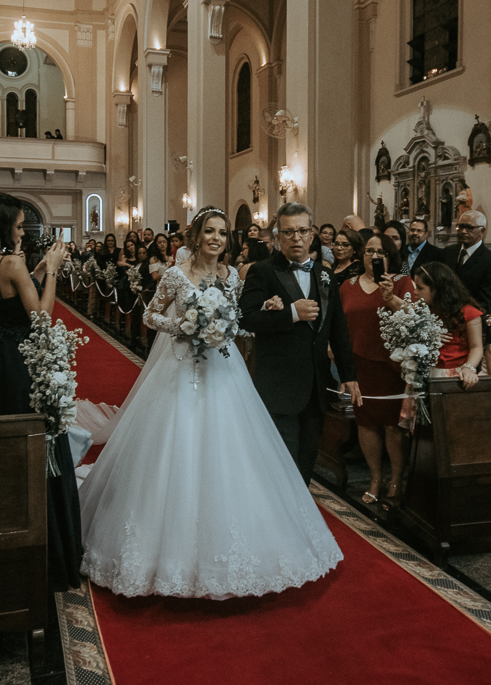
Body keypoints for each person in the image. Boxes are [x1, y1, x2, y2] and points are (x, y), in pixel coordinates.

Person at [80, 206, 343, 599]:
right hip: (181, 369)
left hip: (223, 370)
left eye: (222, 233)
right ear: (197, 236)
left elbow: (237, 318)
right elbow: (152, 315)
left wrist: (257, 313)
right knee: (176, 448)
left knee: (233, 451)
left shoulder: (230, 276)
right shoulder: (175, 275)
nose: (217, 238)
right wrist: (185, 328)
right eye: (209, 232)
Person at [0, 196, 81, 591]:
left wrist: (36, 269)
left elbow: (4, 301)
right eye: (16, 226)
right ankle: (53, 543)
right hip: (23, 361)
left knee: (8, 442)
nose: (20, 231)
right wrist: (52, 274)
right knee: (41, 441)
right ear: (1, 230)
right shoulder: (12, 264)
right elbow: (41, 320)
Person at [238, 202, 361, 484]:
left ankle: (298, 517)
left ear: (311, 234)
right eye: (289, 232)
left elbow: (337, 328)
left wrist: (349, 375)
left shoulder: (325, 274)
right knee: (282, 464)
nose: (296, 238)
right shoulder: (263, 271)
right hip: (279, 384)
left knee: (305, 463)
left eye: (302, 231)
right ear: (278, 236)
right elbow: (246, 319)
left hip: (316, 387)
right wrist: (291, 313)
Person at [340, 233, 415, 510]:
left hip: (392, 365)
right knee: (366, 422)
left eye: (381, 251)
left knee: (393, 425)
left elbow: (415, 315)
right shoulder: (347, 286)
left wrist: (390, 296)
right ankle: (374, 478)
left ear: (390, 256)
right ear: (362, 255)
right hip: (359, 363)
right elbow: (339, 321)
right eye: (369, 250)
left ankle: (396, 480)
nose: (374, 256)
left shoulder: (403, 282)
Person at [413, 262, 483, 390]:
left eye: (420, 288)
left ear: (437, 289)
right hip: (424, 371)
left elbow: (476, 347)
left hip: (455, 374)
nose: (415, 292)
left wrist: (469, 368)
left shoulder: (468, 312)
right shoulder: (421, 310)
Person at [442, 210, 491, 314]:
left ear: (482, 231)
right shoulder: (449, 252)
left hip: (470, 319)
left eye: (469, 228)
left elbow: (487, 303)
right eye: (460, 227)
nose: (463, 231)